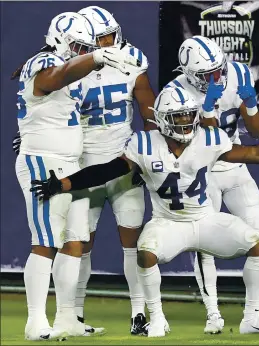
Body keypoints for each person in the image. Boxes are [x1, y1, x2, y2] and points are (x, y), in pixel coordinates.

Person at [30, 86, 259, 337]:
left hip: (205, 219)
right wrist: (66, 183)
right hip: (168, 222)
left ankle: (251, 318)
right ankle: (157, 317)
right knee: (145, 252)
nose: (186, 121)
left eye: (190, 114)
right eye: (179, 116)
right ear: (163, 119)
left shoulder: (210, 138)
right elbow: (108, 170)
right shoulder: (145, 143)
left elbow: (256, 152)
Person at [164, 35, 259, 332]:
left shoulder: (239, 73)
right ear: (190, 74)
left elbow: (257, 132)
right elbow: (208, 142)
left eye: (219, 68)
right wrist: (206, 109)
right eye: (208, 74)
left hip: (235, 164)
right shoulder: (175, 93)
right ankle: (213, 315)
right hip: (201, 172)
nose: (218, 76)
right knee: (205, 245)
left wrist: (249, 102)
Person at [13, 11, 139, 340]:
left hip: (71, 163)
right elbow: (54, 77)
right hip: (45, 161)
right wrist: (97, 57)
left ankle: (67, 317)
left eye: (88, 47)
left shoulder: (68, 69)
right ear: (61, 40)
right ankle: (35, 321)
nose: (84, 52)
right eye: (80, 46)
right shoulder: (43, 63)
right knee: (45, 241)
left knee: (74, 241)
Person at [71, 6, 156, 335]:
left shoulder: (131, 59)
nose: (111, 43)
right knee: (80, 244)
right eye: (102, 39)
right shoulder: (69, 67)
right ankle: (74, 314)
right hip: (84, 166)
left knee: (132, 243)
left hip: (123, 165)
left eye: (112, 36)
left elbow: (148, 109)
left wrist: (145, 154)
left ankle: (138, 313)